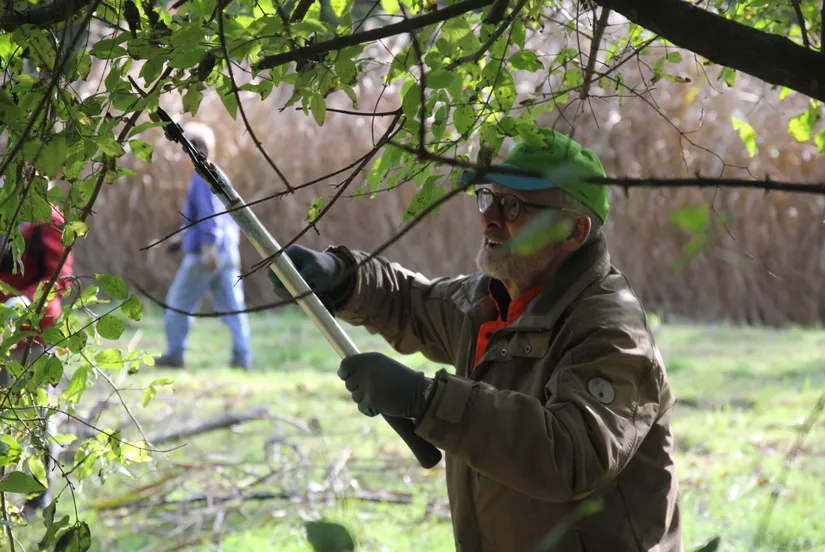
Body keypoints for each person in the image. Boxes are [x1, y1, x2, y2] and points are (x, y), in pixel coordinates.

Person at [269, 129, 682, 551]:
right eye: (489, 198)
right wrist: (340, 276)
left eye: (515, 205)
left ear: (574, 231)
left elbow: (571, 454)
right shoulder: (493, 298)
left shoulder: (612, 332)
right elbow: (412, 302)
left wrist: (425, 400)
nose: (490, 217)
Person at [154, 122, 252, 370]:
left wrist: (208, 247)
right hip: (228, 252)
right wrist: (180, 239)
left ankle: (175, 354)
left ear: (195, 148)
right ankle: (243, 357)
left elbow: (209, 217)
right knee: (233, 307)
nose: (182, 153)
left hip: (206, 254)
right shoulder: (217, 173)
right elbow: (217, 214)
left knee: (177, 303)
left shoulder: (201, 178)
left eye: (185, 146)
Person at [0, 192, 73, 516]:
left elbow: (58, 278)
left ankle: (37, 492)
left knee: (35, 414)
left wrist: (26, 303)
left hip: (32, 331)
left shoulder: (48, 217)